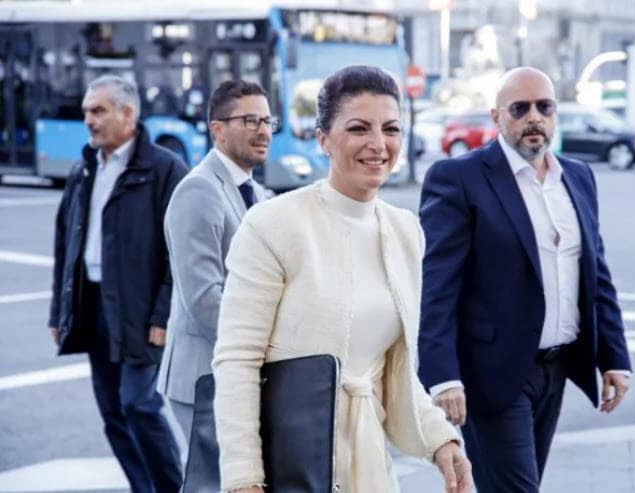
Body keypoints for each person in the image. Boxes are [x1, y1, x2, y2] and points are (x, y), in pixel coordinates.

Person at [212, 65, 473, 493]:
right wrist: (244, 478)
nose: (378, 144)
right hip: (287, 461)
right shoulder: (273, 224)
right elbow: (237, 360)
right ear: (323, 139)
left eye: (391, 129)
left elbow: (393, 372)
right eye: (358, 128)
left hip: (368, 463)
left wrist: (440, 439)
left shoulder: (405, 231)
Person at [418, 67, 632, 492]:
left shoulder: (578, 176)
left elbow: (596, 274)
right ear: (497, 117)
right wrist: (442, 376)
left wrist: (614, 357)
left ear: (555, 114)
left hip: (557, 368)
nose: (534, 117)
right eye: (519, 108)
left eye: (544, 107)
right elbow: (437, 285)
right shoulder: (459, 178)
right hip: (492, 373)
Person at [48, 74, 186, 493]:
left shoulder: (164, 169)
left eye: (98, 111)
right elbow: (65, 241)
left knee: (139, 403)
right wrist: (59, 310)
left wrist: (163, 315)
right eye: (86, 111)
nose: (88, 120)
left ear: (128, 114)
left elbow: (180, 251)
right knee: (112, 412)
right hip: (93, 304)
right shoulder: (84, 168)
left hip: (140, 309)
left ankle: (172, 488)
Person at [158, 80, 270, 454]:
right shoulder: (199, 190)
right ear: (218, 130)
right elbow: (205, 299)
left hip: (237, 375)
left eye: (268, 121)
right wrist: (267, 347)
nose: (263, 131)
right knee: (217, 478)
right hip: (203, 376)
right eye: (251, 121)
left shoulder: (257, 192)